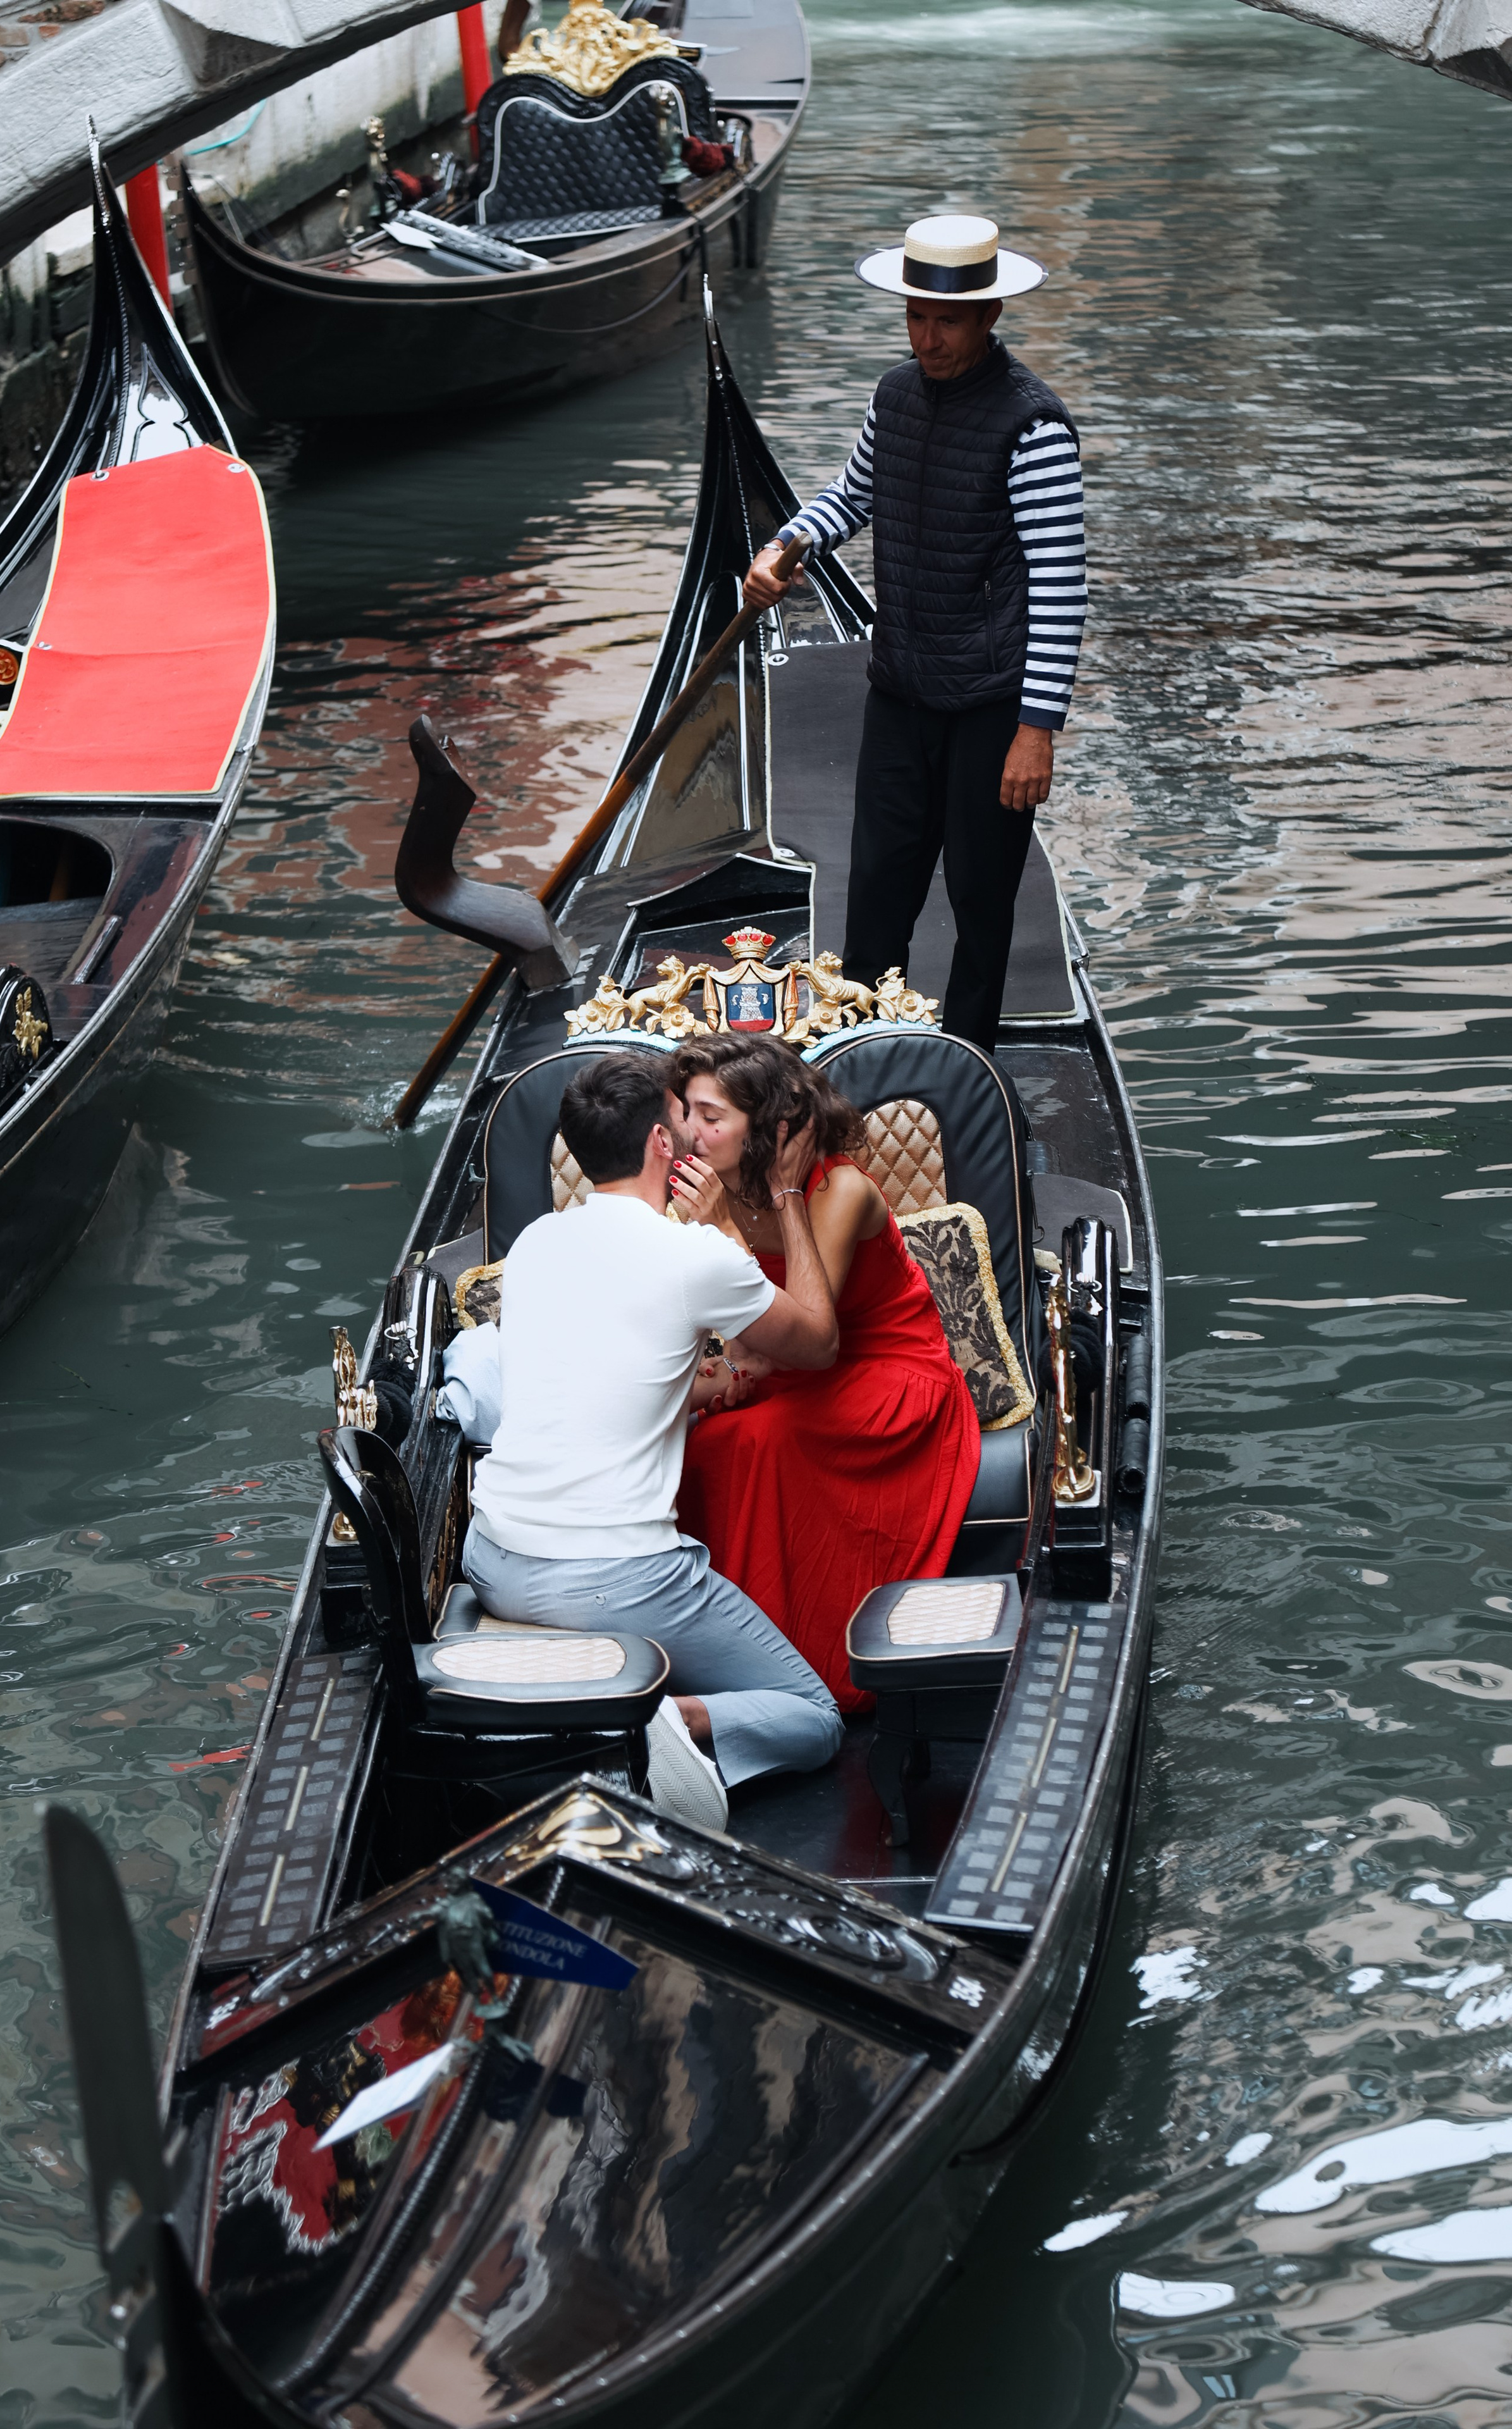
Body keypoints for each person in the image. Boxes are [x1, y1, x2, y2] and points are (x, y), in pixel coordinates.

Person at [464, 1050, 845, 1830]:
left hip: (494, 1557)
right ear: (661, 1146)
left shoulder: (533, 1244)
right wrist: (782, 1192)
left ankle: (584, 1708)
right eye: (683, 1121)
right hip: (613, 1579)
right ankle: (656, 1721)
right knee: (813, 1715)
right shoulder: (691, 1255)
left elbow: (614, 1366)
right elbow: (815, 1343)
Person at [744, 212, 1086, 1051]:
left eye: (946, 322)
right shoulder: (895, 396)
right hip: (898, 691)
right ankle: (857, 1066)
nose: (927, 339)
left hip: (989, 707)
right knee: (877, 900)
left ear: (989, 317)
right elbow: (854, 495)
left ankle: (970, 1071)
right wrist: (788, 542)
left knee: (981, 906)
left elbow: (1061, 585)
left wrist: (1037, 730)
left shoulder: (1032, 427)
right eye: (915, 318)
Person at [669, 1036, 980, 1712]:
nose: (690, 1134)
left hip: (889, 1376)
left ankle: (800, 1671)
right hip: (789, 1370)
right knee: (689, 1447)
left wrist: (743, 1217)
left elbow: (814, 1340)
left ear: (774, 1127)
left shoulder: (841, 1190)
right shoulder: (707, 1186)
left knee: (756, 1443)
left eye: (710, 1117)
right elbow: (730, 1335)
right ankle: (714, 1660)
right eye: (686, 1114)